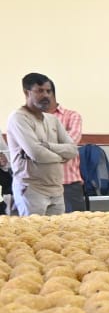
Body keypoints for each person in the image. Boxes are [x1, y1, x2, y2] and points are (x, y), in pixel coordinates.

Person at [5, 72, 80, 216]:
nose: (46, 95)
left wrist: (49, 146)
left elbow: (73, 150)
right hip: (31, 189)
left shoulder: (52, 120)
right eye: (40, 91)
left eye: (48, 91)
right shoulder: (18, 118)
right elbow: (37, 154)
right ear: (27, 92)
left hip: (57, 189)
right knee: (33, 235)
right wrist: (62, 157)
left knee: (57, 234)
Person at [46, 82, 86, 212]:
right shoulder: (31, 119)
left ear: (50, 93)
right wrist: (59, 147)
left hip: (68, 184)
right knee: (41, 229)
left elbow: (70, 146)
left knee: (76, 228)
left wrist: (43, 148)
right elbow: (30, 148)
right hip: (40, 186)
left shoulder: (72, 116)